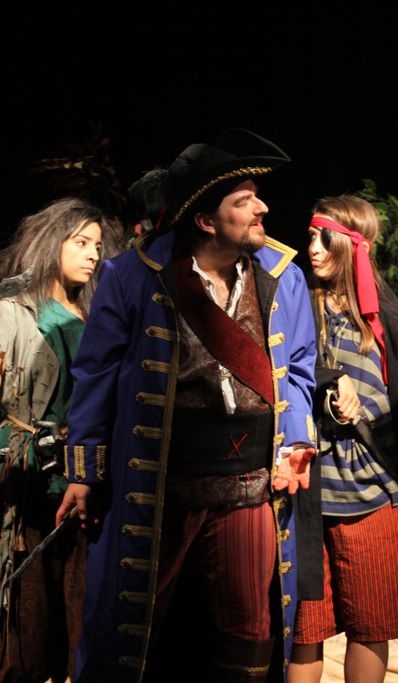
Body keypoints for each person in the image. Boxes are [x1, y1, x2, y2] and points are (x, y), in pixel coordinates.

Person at [54, 129, 317, 682]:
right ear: (205, 220)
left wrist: (295, 439)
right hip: (159, 487)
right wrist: (83, 471)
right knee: (133, 629)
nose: (263, 209)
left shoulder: (282, 275)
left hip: (248, 487)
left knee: (247, 634)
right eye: (244, 201)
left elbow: (296, 367)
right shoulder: (132, 276)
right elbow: (95, 375)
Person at [288, 195, 398, 683]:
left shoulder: (395, 326)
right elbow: (280, 372)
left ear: (355, 245)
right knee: (303, 629)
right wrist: (331, 379)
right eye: (310, 237)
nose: (313, 248)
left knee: (371, 625)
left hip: (374, 493)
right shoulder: (293, 309)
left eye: (324, 238)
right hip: (306, 491)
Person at [0, 198, 119, 682]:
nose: (92, 254)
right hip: (33, 485)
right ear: (52, 242)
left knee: (81, 621)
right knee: (28, 622)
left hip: (91, 482)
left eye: (97, 245)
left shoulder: (97, 315)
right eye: (80, 242)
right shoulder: (15, 312)